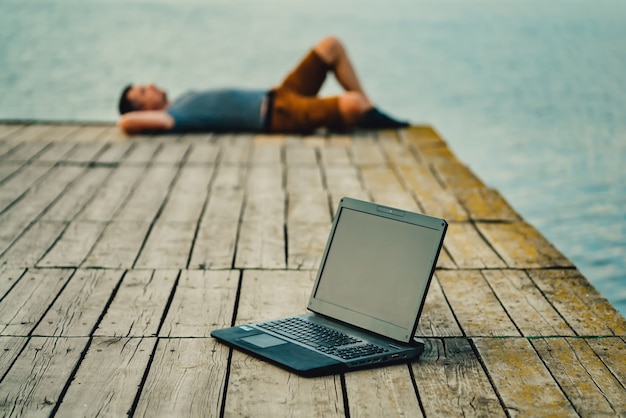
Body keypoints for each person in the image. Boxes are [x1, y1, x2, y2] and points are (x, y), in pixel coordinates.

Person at [117, 36, 409, 135]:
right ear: (144, 107)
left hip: (280, 94)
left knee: (330, 45)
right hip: (279, 116)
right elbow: (127, 123)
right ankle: (362, 112)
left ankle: (371, 111)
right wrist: (130, 117)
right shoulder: (175, 118)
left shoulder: (180, 102)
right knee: (351, 104)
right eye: (144, 91)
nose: (151, 85)